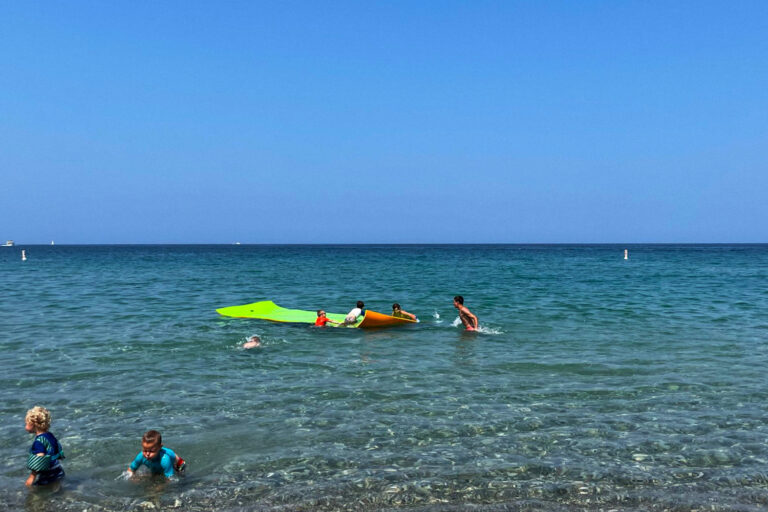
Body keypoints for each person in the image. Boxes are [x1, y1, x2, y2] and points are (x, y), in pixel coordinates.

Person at [25, 406, 65, 487]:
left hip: (48, 476)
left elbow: (40, 459)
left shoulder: (39, 442)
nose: (25, 425)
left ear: (33, 425)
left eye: (26, 423)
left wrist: (32, 477)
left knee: (35, 495)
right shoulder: (50, 435)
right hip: (58, 471)